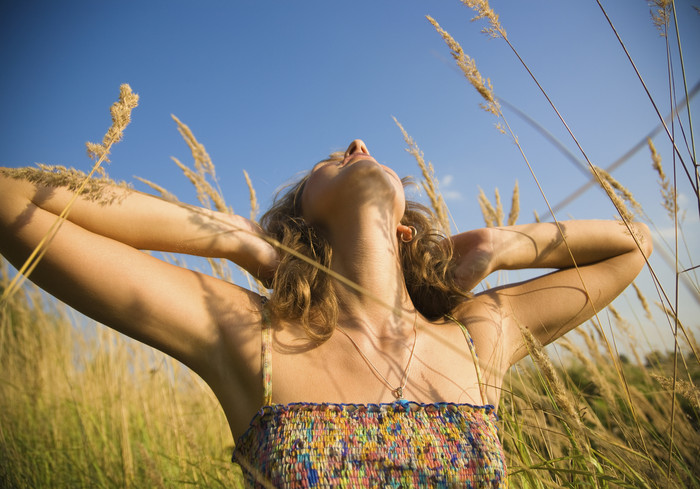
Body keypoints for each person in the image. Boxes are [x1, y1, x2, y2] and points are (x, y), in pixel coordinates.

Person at [0, 139, 652, 487]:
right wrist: (231, 235)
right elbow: (13, 200)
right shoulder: (246, 335)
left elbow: (635, 241)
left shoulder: (479, 335)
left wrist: (500, 245)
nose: (357, 141)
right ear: (297, 226)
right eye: (325, 161)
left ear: (403, 230)